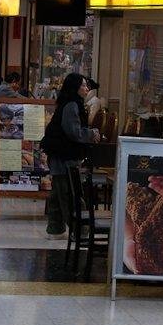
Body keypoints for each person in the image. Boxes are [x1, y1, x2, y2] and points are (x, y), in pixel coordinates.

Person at [41, 73, 99, 238]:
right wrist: (91, 134)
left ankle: (55, 227)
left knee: (58, 192)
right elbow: (73, 132)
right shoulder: (72, 105)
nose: (86, 88)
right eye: (83, 85)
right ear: (74, 87)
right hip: (64, 155)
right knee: (69, 192)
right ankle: (80, 230)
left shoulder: (69, 103)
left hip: (59, 153)